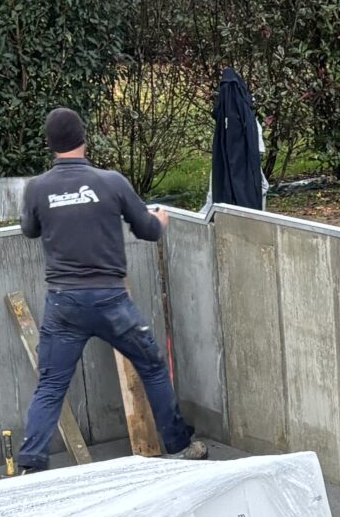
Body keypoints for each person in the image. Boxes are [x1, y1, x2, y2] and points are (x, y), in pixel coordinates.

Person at [16, 107, 204, 472]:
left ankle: (31, 464)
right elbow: (147, 230)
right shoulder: (111, 182)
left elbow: (29, 230)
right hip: (111, 301)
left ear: (50, 145)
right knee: (150, 365)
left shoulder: (37, 188)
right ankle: (180, 446)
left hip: (64, 304)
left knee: (52, 384)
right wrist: (160, 221)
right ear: (84, 138)